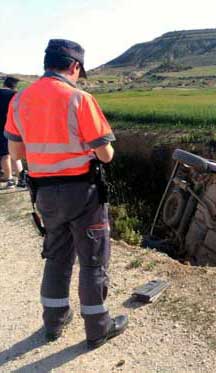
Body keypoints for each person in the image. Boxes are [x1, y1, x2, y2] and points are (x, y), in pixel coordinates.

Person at [4, 39, 128, 349]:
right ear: (74, 66)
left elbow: (16, 152)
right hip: (82, 193)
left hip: (44, 194)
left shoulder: (19, 101)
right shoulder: (79, 99)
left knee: (57, 257)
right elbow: (106, 155)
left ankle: (54, 322)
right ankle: (98, 328)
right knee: (92, 261)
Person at [0, 76, 20, 189]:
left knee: (4, 154)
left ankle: (9, 180)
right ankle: (21, 178)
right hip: (13, 126)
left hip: (1, 128)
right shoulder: (16, 95)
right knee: (16, 154)